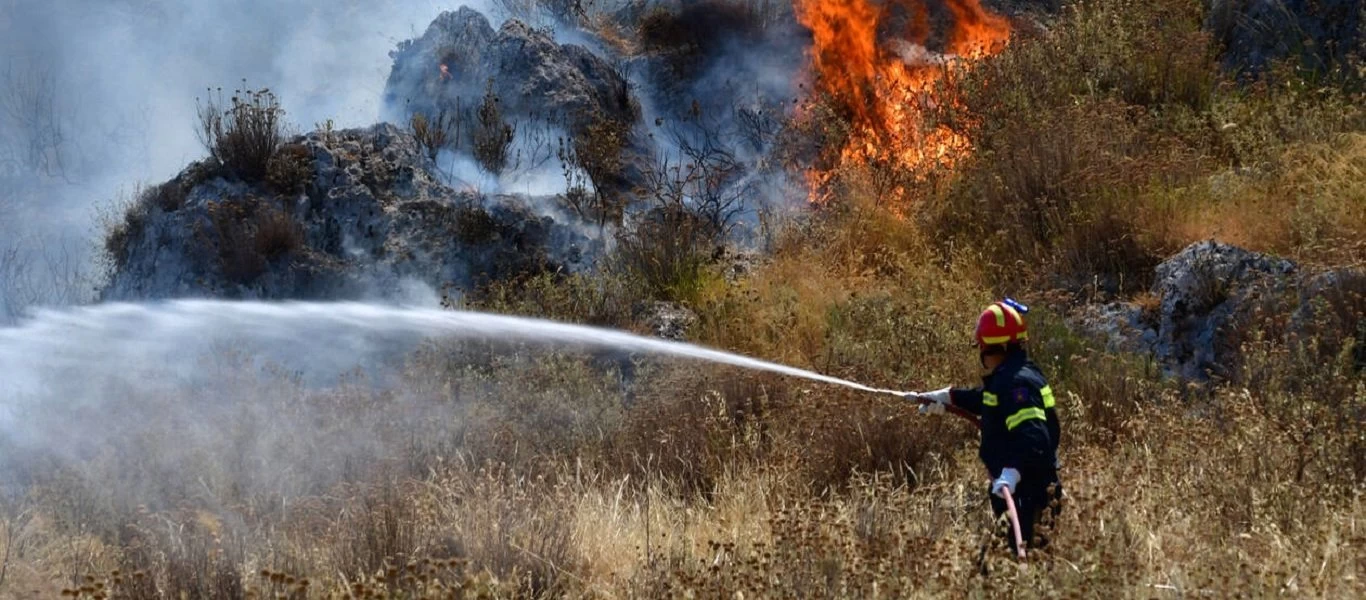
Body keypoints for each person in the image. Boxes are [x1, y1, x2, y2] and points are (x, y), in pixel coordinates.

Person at [909, 298, 1062, 553]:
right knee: (1003, 562)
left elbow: (1035, 437)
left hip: (1028, 493)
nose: (981, 355)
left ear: (998, 348)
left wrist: (1012, 472)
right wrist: (948, 397)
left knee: (1017, 564)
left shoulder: (1016, 384)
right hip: (1021, 490)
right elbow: (990, 402)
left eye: (983, 349)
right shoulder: (1014, 375)